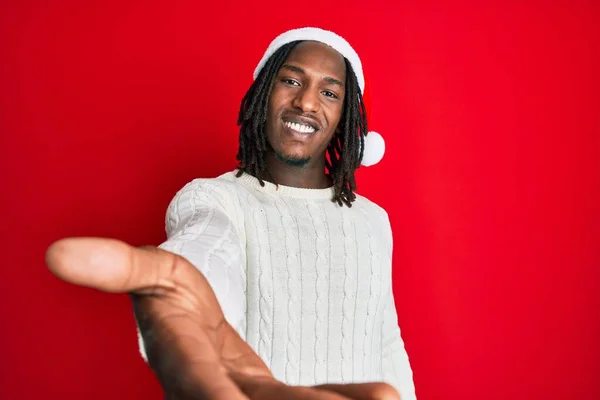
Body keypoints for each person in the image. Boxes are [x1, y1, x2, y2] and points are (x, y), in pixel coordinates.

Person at [46, 27, 417, 400]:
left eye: (329, 92)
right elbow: (206, 247)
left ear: (343, 115)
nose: (306, 103)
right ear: (263, 92)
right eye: (290, 80)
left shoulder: (372, 220)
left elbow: (386, 340)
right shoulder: (215, 199)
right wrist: (186, 297)